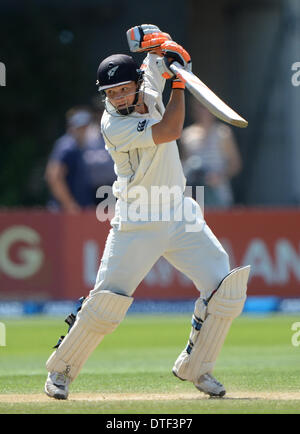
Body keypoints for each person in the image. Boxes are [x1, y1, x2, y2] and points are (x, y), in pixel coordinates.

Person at [44, 24, 250, 400]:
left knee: (226, 289)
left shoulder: (148, 79)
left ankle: (197, 367)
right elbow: (171, 128)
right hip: (137, 219)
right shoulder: (113, 124)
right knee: (107, 303)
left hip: (178, 211)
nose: (119, 97)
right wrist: (179, 83)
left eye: (124, 89)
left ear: (137, 82)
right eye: (111, 92)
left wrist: (171, 54)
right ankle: (61, 371)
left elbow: (157, 54)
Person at [45, 106, 115, 212]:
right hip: (65, 212)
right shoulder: (67, 146)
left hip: (79, 209)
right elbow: (54, 177)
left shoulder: (81, 147)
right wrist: (70, 205)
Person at [180, 102, 242, 208]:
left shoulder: (223, 133)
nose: (205, 111)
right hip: (194, 195)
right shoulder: (187, 135)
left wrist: (219, 176)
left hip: (218, 194)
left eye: (208, 107)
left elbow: (235, 164)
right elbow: (183, 166)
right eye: (201, 107)